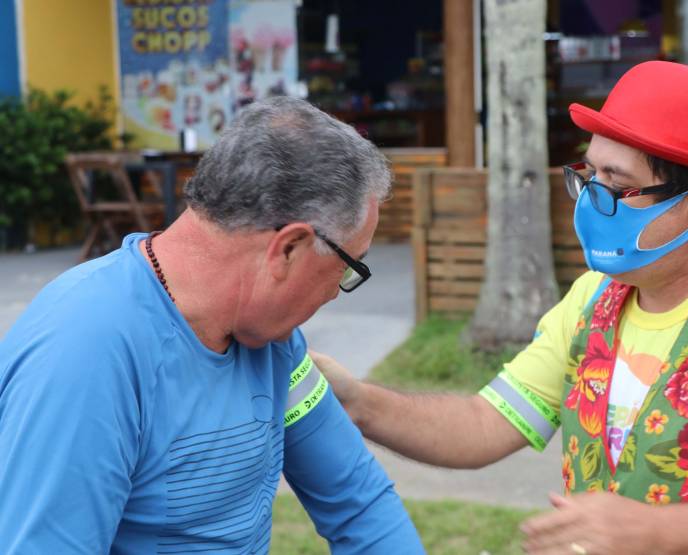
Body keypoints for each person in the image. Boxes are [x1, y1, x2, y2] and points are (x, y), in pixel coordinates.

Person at [313, 61, 688, 555]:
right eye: (588, 175)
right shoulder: (597, 298)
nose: (590, 200)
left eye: (617, 183)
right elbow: (487, 424)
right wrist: (357, 402)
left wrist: (656, 533)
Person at [0, 97, 424, 554]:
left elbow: (360, 506)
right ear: (288, 248)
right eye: (347, 266)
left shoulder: (270, 341)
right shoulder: (85, 350)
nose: (333, 293)